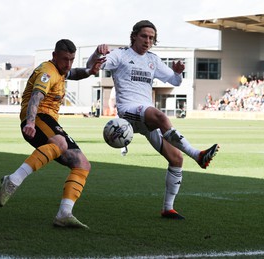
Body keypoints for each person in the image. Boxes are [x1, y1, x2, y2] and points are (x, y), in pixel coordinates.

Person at [87, 20, 219, 220]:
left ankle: (168, 208)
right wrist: (97, 54)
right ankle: (197, 154)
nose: (148, 40)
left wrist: (177, 72)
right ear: (134, 36)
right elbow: (92, 67)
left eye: (151, 38)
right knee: (159, 115)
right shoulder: (121, 55)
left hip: (145, 115)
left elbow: (175, 81)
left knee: (176, 159)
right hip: (128, 112)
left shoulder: (153, 60)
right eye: (144, 36)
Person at [0, 39, 104, 229]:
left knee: (82, 164)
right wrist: (30, 122)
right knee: (61, 143)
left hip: (50, 121)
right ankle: (13, 180)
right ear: (54, 56)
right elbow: (36, 96)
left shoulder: (61, 70)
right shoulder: (47, 71)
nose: (68, 64)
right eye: (65, 59)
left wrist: (89, 71)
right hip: (38, 117)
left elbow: (75, 73)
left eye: (72, 59)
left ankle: (64, 214)